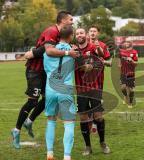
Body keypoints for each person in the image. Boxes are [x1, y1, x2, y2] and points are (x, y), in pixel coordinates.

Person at [11, 11, 78, 149]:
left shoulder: (61, 35)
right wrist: (67, 52)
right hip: (35, 70)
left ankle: (29, 121)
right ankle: (16, 130)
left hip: (46, 71)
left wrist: (34, 52)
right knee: (32, 101)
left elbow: (48, 49)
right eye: (70, 19)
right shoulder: (52, 30)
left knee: (48, 98)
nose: (72, 21)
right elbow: (48, 50)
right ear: (63, 20)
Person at [74, 27, 110, 156]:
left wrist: (98, 49)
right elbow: (77, 66)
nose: (79, 35)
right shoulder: (73, 50)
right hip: (81, 89)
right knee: (83, 118)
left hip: (94, 88)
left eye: (81, 33)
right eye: (77, 33)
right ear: (75, 35)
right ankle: (88, 146)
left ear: (86, 35)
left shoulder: (92, 46)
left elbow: (101, 54)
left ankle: (102, 142)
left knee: (98, 117)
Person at [44, 24, 76, 160]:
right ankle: (67, 156)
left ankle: (50, 153)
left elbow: (45, 68)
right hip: (65, 88)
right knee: (69, 122)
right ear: (71, 36)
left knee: (51, 120)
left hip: (50, 89)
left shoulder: (49, 51)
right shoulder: (73, 51)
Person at [88, 25, 111, 133]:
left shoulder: (103, 45)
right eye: (91, 31)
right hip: (84, 78)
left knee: (96, 101)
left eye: (94, 31)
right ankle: (91, 121)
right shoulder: (83, 45)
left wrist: (104, 62)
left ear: (98, 33)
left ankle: (94, 122)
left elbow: (109, 61)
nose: (92, 33)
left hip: (98, 78)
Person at [118, 39, 138, 108]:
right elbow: (119, 59)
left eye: (128, 42)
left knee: (131, 90)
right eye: (126, 42)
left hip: (131, 74)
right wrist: (119, 64)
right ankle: (126, 96)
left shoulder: (134, 52)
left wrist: (132, 60)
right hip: (123, 73)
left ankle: (130, 102)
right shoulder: (121, 51)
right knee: (123, 88)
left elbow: (136, 64)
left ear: (131, 43)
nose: (126, 43)